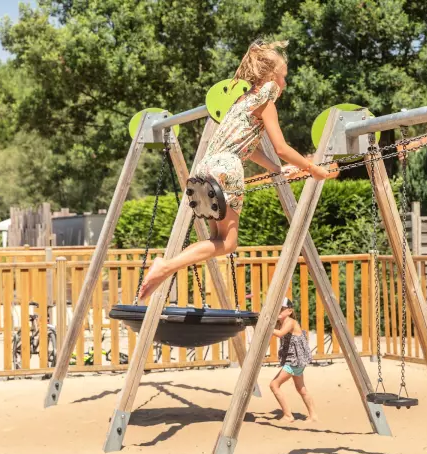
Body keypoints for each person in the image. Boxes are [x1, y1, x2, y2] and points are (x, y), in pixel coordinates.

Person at [138, 39, 330, 300]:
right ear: (271, 78)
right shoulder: (266, 103)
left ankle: (166, 267)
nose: (285, 84)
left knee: (217, 241)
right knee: (228, 243)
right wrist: (312, 168)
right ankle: (166, 267)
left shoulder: (241, 101)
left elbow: (250, 148)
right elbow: (282, 148)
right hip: (226, 170)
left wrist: (276, 169)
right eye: (283, 77)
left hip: (205, 168)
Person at [269, 297, 317, 423]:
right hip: (296, 360)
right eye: (276, 308)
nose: (278, 311)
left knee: (274, 385)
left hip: (294, 361)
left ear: (289, 311)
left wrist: (265, 326)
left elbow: (280, 333)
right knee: (301, 389)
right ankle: (313, 415)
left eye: (281, 309)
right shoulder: (280, 322)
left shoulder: (290, 322)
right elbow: (273, 333)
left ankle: (288, 415)